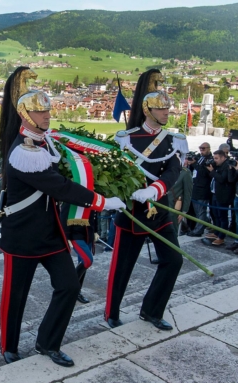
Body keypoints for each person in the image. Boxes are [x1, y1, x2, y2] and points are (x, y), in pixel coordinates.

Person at [0, 67, 125, 367]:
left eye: (47, 110)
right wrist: (101, 201)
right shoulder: (23, 152)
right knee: (15, 296)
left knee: (68, 286)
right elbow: (59, 186)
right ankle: (9, 345)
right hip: (23, 237)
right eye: (40, 112)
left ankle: (48, 342)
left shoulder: (45, 142)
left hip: (51, 234)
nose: (46, 116)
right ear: (26, 115)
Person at [105, 69, 185, 332]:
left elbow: (173, 171)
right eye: (161, 109)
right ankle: (112, 311)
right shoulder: (127, 139)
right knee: (122, 268)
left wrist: (156, 189)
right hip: (132, 213)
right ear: (148, 110)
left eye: (167, 108)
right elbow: (117, 174)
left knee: (174, 260)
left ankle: (152, 310)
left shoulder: (174, 140)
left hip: (160, 209)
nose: (166, 113)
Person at [204, 150, 234, 246]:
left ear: (223, 157)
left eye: (216, 158)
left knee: (223, 217)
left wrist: (212, 171)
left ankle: (221, 237)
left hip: (223, 195)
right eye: (214, 158)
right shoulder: (218, 165)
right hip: (215, 194)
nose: (215, 160)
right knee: (216, 215)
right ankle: (216, 232)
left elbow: (222, 179)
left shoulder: (227, 166)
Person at [187, 143, 213, 237]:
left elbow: (204, 173)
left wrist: (194, 164)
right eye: (200, 148)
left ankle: (198, 231)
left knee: (201, 211)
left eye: (203, 148)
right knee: (197, 211)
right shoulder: (200, 158)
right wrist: (191, 163)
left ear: (209, 149)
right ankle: (203, 224)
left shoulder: (210, 159)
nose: (201, 150)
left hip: (203, 189)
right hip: (195, 187)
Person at [166, 157, 193, 235]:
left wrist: (184, 211)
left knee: (173, 231)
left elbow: (188, 193)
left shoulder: (185, 173)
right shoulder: (166, 170)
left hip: (174, 207)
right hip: (162, 205)